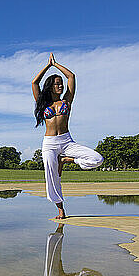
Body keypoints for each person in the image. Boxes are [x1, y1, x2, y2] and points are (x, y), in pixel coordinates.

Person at [32, 53, 104, 219]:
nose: (61, 86)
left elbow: (71, 76)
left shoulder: (67, 101)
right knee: (52, 177)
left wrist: (56, 64)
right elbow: (34, 83)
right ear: (50, 86)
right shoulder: (43, 103)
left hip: (66, 141)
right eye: (57, 84)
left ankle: (66, 160)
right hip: (49, 143)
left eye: (61, 84)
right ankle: (60, 209)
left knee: (97, 159)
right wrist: (48, 67)